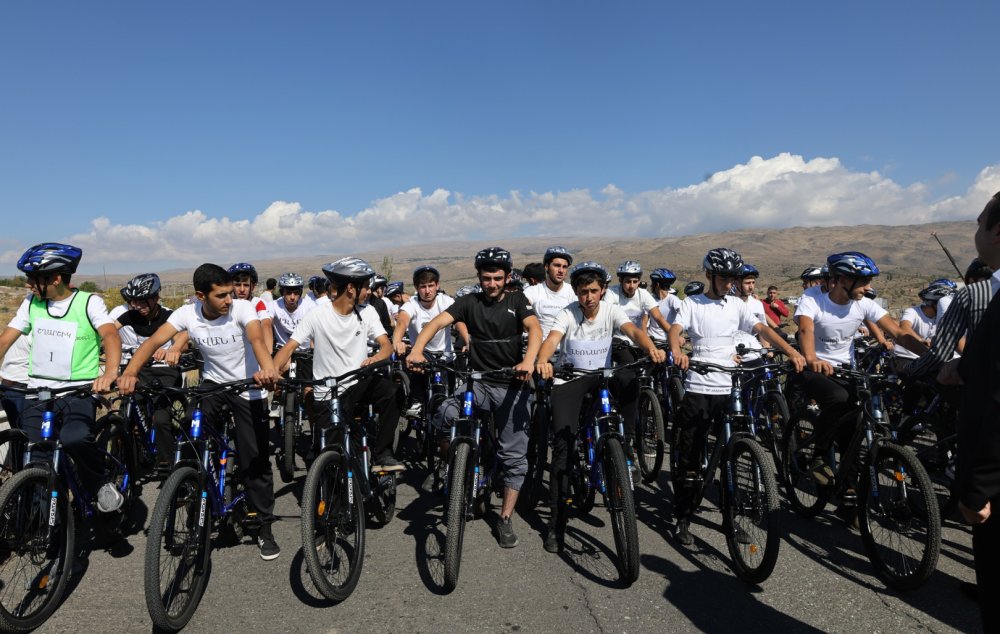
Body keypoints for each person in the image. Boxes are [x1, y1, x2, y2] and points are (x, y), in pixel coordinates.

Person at [118, 263, 281, 560]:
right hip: (214, 385)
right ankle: (193, 485)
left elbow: (257, 339)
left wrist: (268, 368)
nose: (229, 299)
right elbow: (154, 341)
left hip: (248, 386)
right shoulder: (187, 313)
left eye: (230, 293)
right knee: (192, 436)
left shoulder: (243, 309)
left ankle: (263, 525)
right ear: (201, 296)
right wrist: (130, 372)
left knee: (254, 459)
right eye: (221, 295)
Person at [668, 248, 805, 546]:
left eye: (732, 278)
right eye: (724, 278)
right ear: (709, 275)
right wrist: (677, 351)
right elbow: (676, 330)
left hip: (730, 387)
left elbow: (762, 328)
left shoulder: (736, 305)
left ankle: (730, 519)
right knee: (690, 458)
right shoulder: (692, 303)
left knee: (730, 456)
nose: (729, 283)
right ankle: (683, 517)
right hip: (699, 387)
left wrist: (791, 351)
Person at [407, 247, 541, 548]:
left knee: (514, 456)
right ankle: (451, 468)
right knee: (444, 413)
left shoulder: (518, 300)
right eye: (486, 278)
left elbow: (534, 328)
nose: (492, 284)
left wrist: (528, 360)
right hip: (477, 383)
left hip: (511, 384)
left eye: (497, 278)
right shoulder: (469, 302)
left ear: (507, 277)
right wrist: (417, 350)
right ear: (479, 277)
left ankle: (505, 518)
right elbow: (436, 322)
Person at [535, 261, 666, 552]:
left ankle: (625, 443)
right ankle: (556, 524)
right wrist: (543, 360)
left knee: (631, 380)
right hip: (571, 379)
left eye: (594, 291)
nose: (589, 297)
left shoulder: (611, 310)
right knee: (562, 450)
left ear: (603, 290)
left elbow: (633, 331)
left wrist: (650, 348)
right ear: (576, 292)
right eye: (584, 292)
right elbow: (552, 339)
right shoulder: (567, 313)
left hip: (602, 377)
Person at [793, 251, 927, 521]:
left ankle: (849, 494)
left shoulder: (863, 304)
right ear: (842, 280)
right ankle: (820, 455)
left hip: (846, 370)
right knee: (838, 397)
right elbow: (806, 329)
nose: (868, 287)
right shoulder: (813, 299)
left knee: (855, 427)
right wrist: (812, 358)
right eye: (864, 281)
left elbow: (899, 332)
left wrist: (931, 356)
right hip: (813, 367)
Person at [0, 243, 123, 512]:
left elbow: (110, 335)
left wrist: (110, 373)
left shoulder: (89, 302)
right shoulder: (31, 303)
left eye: (34, 278)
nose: (28, 284)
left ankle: (100, 482)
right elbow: (5, 339)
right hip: (38, 391)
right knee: (36, 458)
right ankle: (45, 523)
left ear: (56, 279)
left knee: (74, 439)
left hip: (77, 392)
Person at [274, 257, 404, 471]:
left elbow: (386, 346)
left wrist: (375, 359)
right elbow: (289, 348)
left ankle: (383, 455)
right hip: (328, 394)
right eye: (365, 286)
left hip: (357, 385)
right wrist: (271, 371)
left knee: (394, 391)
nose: (369, 291)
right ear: (351, 288)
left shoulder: (367, 312)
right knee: (332, 463)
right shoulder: (317, 315)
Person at [114, 273, 189, 474]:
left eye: (141, 301)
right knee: (127, 411)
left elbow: (183, 337)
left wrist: (173, 349)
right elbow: (109, 331)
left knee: (161, 418)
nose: (136, 306)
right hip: (140, 369)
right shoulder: (130, 316)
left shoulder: (169, 316)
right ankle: (124, 457)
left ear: (155, 297)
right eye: (133, 301)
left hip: (165, 371)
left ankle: (166, 462)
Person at [392, 265, 467, 415]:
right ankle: (416, 404)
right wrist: (397, 341)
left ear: (437, 285)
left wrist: (467, 340)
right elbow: (402, 322)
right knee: (418, 392)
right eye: (423, 286)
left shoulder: (446, 301)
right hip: (421, 357)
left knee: (450, 399)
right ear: (416, 288)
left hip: (445, 357)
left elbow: (459, 322)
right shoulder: (411, 305)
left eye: (431, 286)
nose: (427, 291)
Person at [522, 246, 576, 341]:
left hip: (567, 347)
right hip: (541, 347)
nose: (561, 270)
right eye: (557, 265)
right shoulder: (533, 291)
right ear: (546, 267)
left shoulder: (573, 292)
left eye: (564, 267)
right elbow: (520, 309)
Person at [229, 263, 274, 352]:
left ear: (252, 287)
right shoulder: (227, 303)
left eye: (246, 285)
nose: (242, 289)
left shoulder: (257, 303)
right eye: (238, 285)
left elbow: (266, 324)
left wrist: (268, 353)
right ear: (231, 286)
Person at [647, 267, 682, 344]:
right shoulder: (650, 299)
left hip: (669, 339)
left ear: (657, 284)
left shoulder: (673, 299)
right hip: (652, 340)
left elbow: (684, 314)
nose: (651, 285)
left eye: (652, 283)